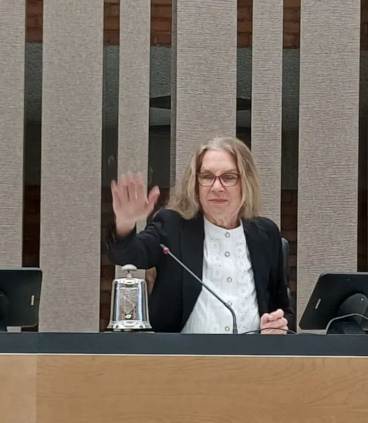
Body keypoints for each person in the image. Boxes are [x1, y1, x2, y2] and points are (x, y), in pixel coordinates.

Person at [106, 136, 292, 334]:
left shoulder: (265, 234)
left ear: (246, 182)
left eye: (229, 177)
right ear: (195, 184)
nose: (217, 187)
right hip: (183, 358)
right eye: (207, 177)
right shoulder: (173, 226)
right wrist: (125, 222)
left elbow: (283, 309)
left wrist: (278, 325)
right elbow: (128, 255)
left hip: (252, 358)